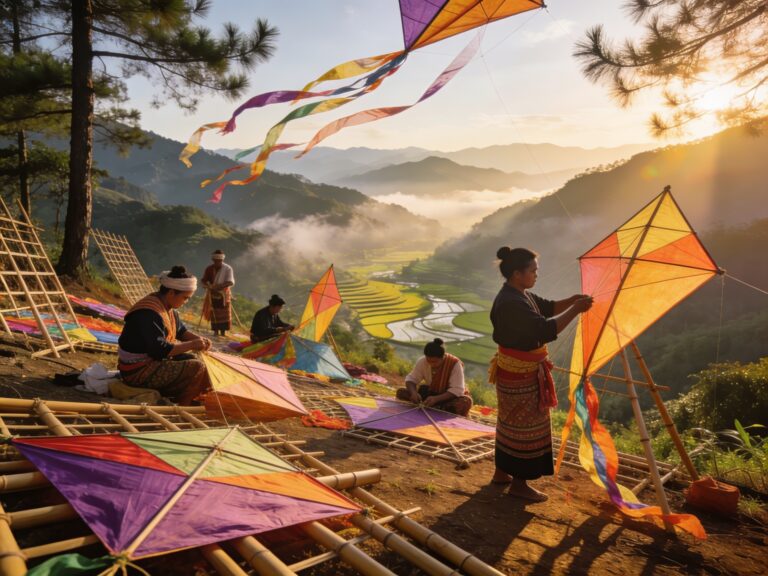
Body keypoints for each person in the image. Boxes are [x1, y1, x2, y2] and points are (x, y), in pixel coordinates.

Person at [489, 247, 593, 502]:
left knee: (509, 423)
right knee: (527, 428)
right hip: (521, 376)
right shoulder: (512, 303)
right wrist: (576, 309)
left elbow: (547, 308)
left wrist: (572, 300)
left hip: (513, 372)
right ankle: (519, 484)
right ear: (517, 274)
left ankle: (502, 472)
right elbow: (544, 329)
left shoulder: (518, 295)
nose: (537, 274)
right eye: (533, 271)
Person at [117, 266, 212, 404]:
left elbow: (180, 331)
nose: (185, 302)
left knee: (193, 359)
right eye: (185, 298)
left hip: (151, 361)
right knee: (197, 367)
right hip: (137, 371)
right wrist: (192, 344)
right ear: (172, 293)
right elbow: (160, 350)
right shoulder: (149, 312)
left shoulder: (167, 309)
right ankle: (184, 404)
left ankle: (187, 397)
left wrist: (199, 339)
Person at [396, 338, 473, 416]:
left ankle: (438, 407)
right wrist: (414, 393)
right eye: (428, 361)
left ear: (443, 358)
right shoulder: (423, 361)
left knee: (465, 402)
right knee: (401, 392)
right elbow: (411, 379)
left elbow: (457, 390)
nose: (431, 364)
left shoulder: (454, 364)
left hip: (449, 398)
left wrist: (436, 399)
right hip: (431, 395)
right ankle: (435, 407)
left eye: (434, 362)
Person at [201, 249, 236, 336]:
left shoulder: (227, 269)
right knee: (214, 312)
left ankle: (223, 332)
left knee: (224, 313)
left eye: (219, 261)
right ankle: (215, 331)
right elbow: (204, 280)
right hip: (212, 294)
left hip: (224, 294)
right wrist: (206, 285)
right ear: (213, 260)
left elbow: (230, 282)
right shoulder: (209, 269)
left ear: (222, 260)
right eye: (215, 261)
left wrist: (219, 287)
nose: (217, 262)